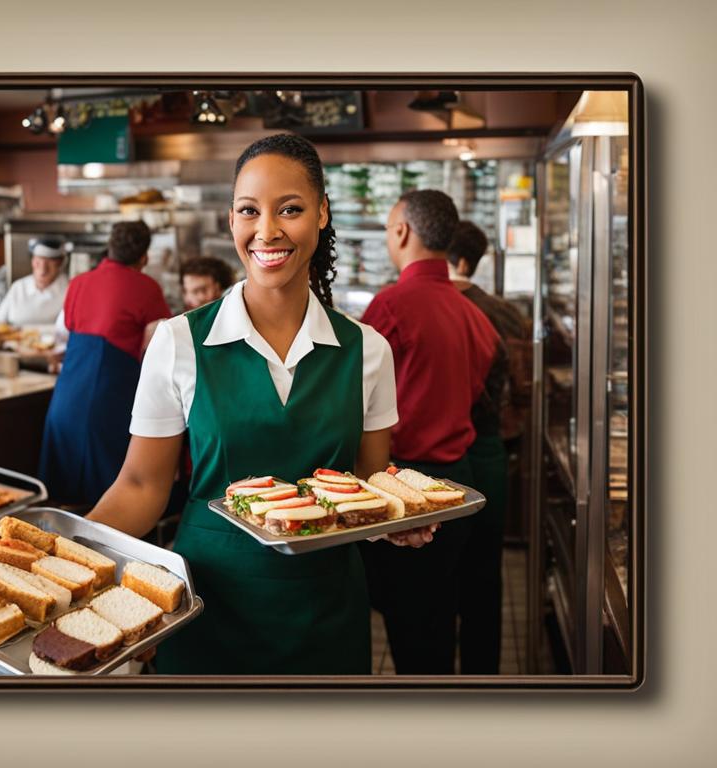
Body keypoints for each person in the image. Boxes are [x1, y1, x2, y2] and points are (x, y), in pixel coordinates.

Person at [86, 134, 435, 675]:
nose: (267, 231)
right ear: (232, 221)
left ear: (321, 214)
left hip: (327, 609)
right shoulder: (178, 342)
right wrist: (71, 557)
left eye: (290, 210)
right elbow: (140, 486)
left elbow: (369, 481)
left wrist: (397, 520)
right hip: (206, 604)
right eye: (249, 211)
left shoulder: (369, 351)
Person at [359, 190, 501, 675]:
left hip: (407, 486)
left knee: (413, 627)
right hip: (458, 483)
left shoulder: (392, 305)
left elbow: (357, 397)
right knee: (439, 612)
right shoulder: (475, 315)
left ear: (401, 232)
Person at [39, 222, 171, 507]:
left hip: (67, 398)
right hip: (111, 400)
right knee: (110, 494)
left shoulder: (79, 282)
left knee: (63, 493)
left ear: (108, 249)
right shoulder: (146, 287)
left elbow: (61, 337)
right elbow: (163, 343)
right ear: (144, 257)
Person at [447, 221, 529, 674]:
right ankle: (483, 676)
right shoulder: (506, 313)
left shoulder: (419, 304)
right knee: (484, 574)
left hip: (429, 456)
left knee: (435, 574)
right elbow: (520, 390)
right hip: (489, 446)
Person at [0, 237, 70, 327]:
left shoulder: (69, 288)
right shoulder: (18, 287)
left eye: (49, 263)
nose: (43, 269)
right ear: (32, 261)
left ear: (59, 264)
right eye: (38, 262)